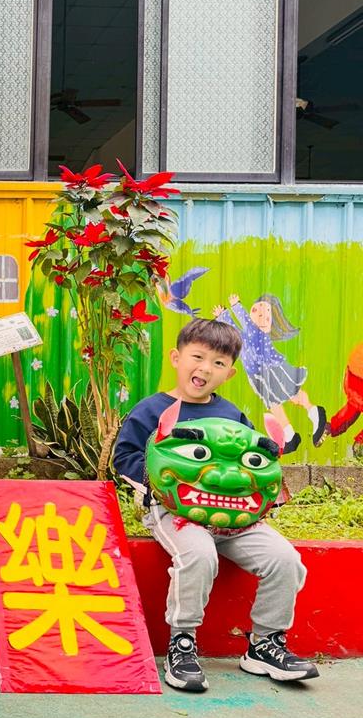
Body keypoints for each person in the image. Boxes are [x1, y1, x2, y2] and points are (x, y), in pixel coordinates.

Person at [114, 317, 319, 692]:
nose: (206, 368)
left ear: (230, 372)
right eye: (198, 356)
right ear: (176, 358)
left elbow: (251, 463)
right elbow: (124, 456)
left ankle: (265, 644)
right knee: (199, 554)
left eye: (219, 362)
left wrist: (261, 494)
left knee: (284, 559)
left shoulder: (232, 416)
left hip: (233, 516)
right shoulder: (151, 410)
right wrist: (157, 476)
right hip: (172, 511)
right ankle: (182, 642)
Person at [213, 293, 327, 454]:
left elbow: (245, 322)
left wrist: (235, 307)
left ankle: (314, 412)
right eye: (257, 312)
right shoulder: (245, 336)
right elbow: (235, 332)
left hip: (271, 369)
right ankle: (290, 435)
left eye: (267, 316)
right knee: (275, 404)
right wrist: (223, 316)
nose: (262, 318)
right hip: (257, 375)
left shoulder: (257, 332)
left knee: (292, 394)